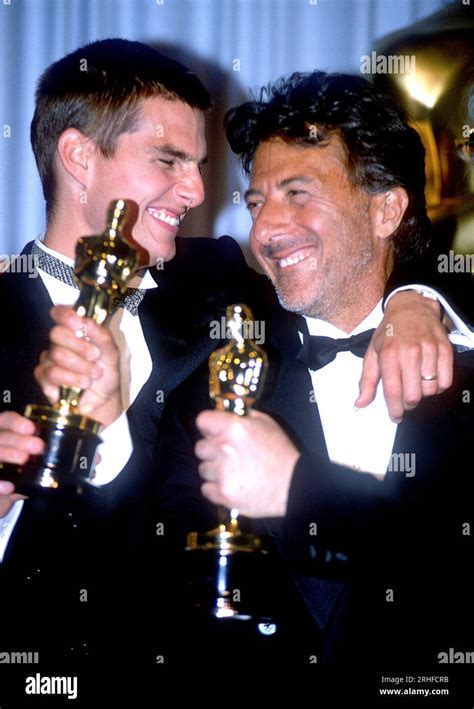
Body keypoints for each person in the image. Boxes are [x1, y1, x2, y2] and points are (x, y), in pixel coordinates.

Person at [0, 40, 469, 693]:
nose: (197, 191)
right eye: (170, 160)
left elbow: (372, 255)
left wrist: (418, 300)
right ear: (79, 156)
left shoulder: (219, 290)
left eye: (200, 164)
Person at [153, 71, 474, 692]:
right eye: (256, 202)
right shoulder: (216, 382)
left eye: (298, 193)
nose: (266, 230)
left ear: (387, 208)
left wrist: (300, 493)